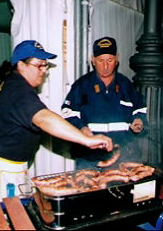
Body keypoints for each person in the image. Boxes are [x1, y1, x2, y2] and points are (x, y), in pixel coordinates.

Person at [0, 40, 113, 204]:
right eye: (39, 66)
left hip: (0, 163)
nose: (44, 71)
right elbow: (43, 118)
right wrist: (85, 139)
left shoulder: (15, 83)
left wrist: (79, 132)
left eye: (45, 65)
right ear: (21, 65)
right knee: (6, 219)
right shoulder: (18, 91)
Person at [61, 36, 147, 170]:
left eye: (110, 60)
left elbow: (140, 109)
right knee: (88, 189)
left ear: (117, 59)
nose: (105, 66)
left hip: (122, 155)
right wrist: (81, 128)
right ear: (93, 60)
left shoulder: (126, 85)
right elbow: (67, 113)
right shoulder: (81, 86)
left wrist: (139, 120)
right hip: (89, 157)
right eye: (100, 60)